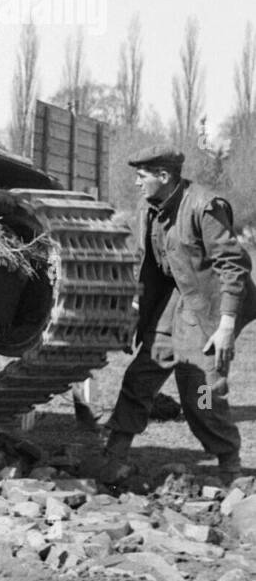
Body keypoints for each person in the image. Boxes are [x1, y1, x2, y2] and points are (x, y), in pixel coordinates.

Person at [100, 146, 256, 482]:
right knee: (141, 377)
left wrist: (227, 325)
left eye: (142, 176)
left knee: (200, 393)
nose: (137, 182)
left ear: (164, 176)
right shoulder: (149, 210)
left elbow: (234, 267)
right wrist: (136, 311)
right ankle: (113, 457)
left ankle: (230, 465)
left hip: (208, 308)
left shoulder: (204, 206)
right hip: (172, 302)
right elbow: (150, 266)